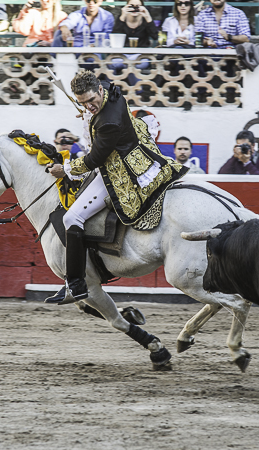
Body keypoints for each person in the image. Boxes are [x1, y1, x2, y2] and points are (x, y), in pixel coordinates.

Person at [45, 71, 188, 303]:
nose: (90, 106)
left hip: (119, 171)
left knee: (72, 218)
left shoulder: (108, 122)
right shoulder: (109, 91)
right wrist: (88, 112)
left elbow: (94, 159)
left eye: (91, 101)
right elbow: (101, 83)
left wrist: (66, 169)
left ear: (100, 91)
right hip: (135, 153)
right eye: (83, 103)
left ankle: (76, 283)